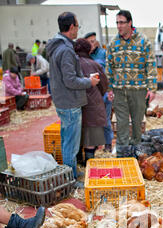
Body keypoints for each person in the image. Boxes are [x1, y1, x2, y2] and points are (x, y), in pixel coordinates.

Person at [46, 12, 100, 188]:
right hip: (70, 102)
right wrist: (89, 82)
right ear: (71, 27)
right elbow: (70, 80)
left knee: (66, 140)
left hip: (63, 100)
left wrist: (84, 78)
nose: (78, 29)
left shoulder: (57, 46)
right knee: (71, 144)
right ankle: (70, 179)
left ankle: (71, 172)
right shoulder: (66, 49)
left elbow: (65, 76)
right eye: (77, 26)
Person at [106, 10, 157, 157]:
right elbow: (109, 67)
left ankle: (135, 151)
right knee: (121, 123)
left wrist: (152, 88)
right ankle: (122, 154)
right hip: (119, 90)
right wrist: (109, 88)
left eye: (122, 22)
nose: (119, 26)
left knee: (137, 122)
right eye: (117, 23)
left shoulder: (143, 41)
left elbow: (151, 65)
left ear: (130, 23)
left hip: (139, 90)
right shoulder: (113, 43)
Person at [74, 38, 108, 164]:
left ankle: (77, 161)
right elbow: (104, 84)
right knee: (91, 135)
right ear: (88, 50)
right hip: (93, 103)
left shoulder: (71, 64)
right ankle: (89, 163)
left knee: (77, 134)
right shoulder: (94, 64)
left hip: (76, 104)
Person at [84, 31, 114, 153]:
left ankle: (108, 144)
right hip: (90, 95)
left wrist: (110, 90)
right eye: (90, 42)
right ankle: (95, 145)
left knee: (105, 120)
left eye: (94, 41)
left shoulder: (103, 54)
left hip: (103, 93)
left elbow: (110, 72)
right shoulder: (84, 56)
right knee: (92, 122)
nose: (93, 44)